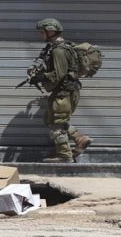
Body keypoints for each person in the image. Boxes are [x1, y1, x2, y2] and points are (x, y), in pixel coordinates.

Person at [30, 18, 92, 163]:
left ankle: (64, 155)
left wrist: (40, 77)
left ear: (50, 31)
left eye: (42, 32)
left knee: (56, 124)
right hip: (65, 91)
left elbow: (59, 74)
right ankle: (80, 139)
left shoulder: (59, 50)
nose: (40, 35)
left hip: (64, 93)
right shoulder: (64, 47)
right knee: (52, 119)